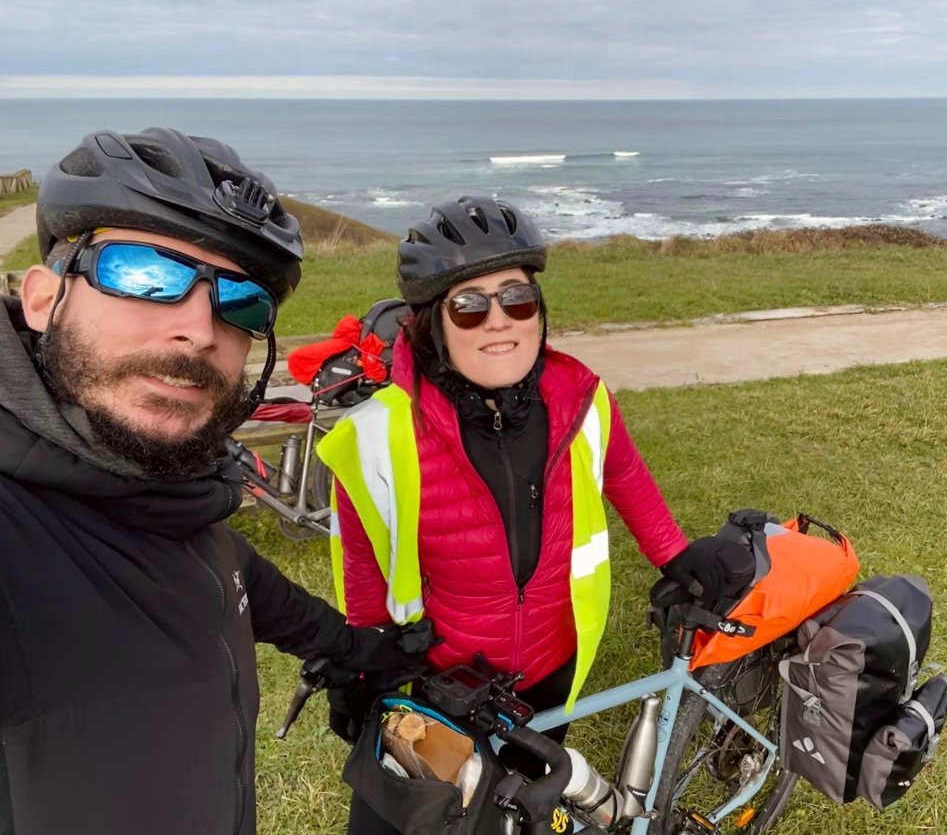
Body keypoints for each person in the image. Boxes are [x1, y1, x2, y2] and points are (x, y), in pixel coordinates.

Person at [0, 128, 432, 835]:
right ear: (45, 298)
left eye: (240, 302)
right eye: (146, 273)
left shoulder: (169, 497)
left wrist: (352, 651)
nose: (199, 326)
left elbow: (228, 571)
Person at [316, 196, 753, 832]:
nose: (498, 321)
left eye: (516, 299)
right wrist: (365, 658)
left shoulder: (582, 400)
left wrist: (673, 552)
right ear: (432, 324)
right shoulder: (376, 435)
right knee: (440, 814)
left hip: (554, 660)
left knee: (523, 807)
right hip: (450, 678)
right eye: (469, 305)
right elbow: (362, 559)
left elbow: (622, 472)